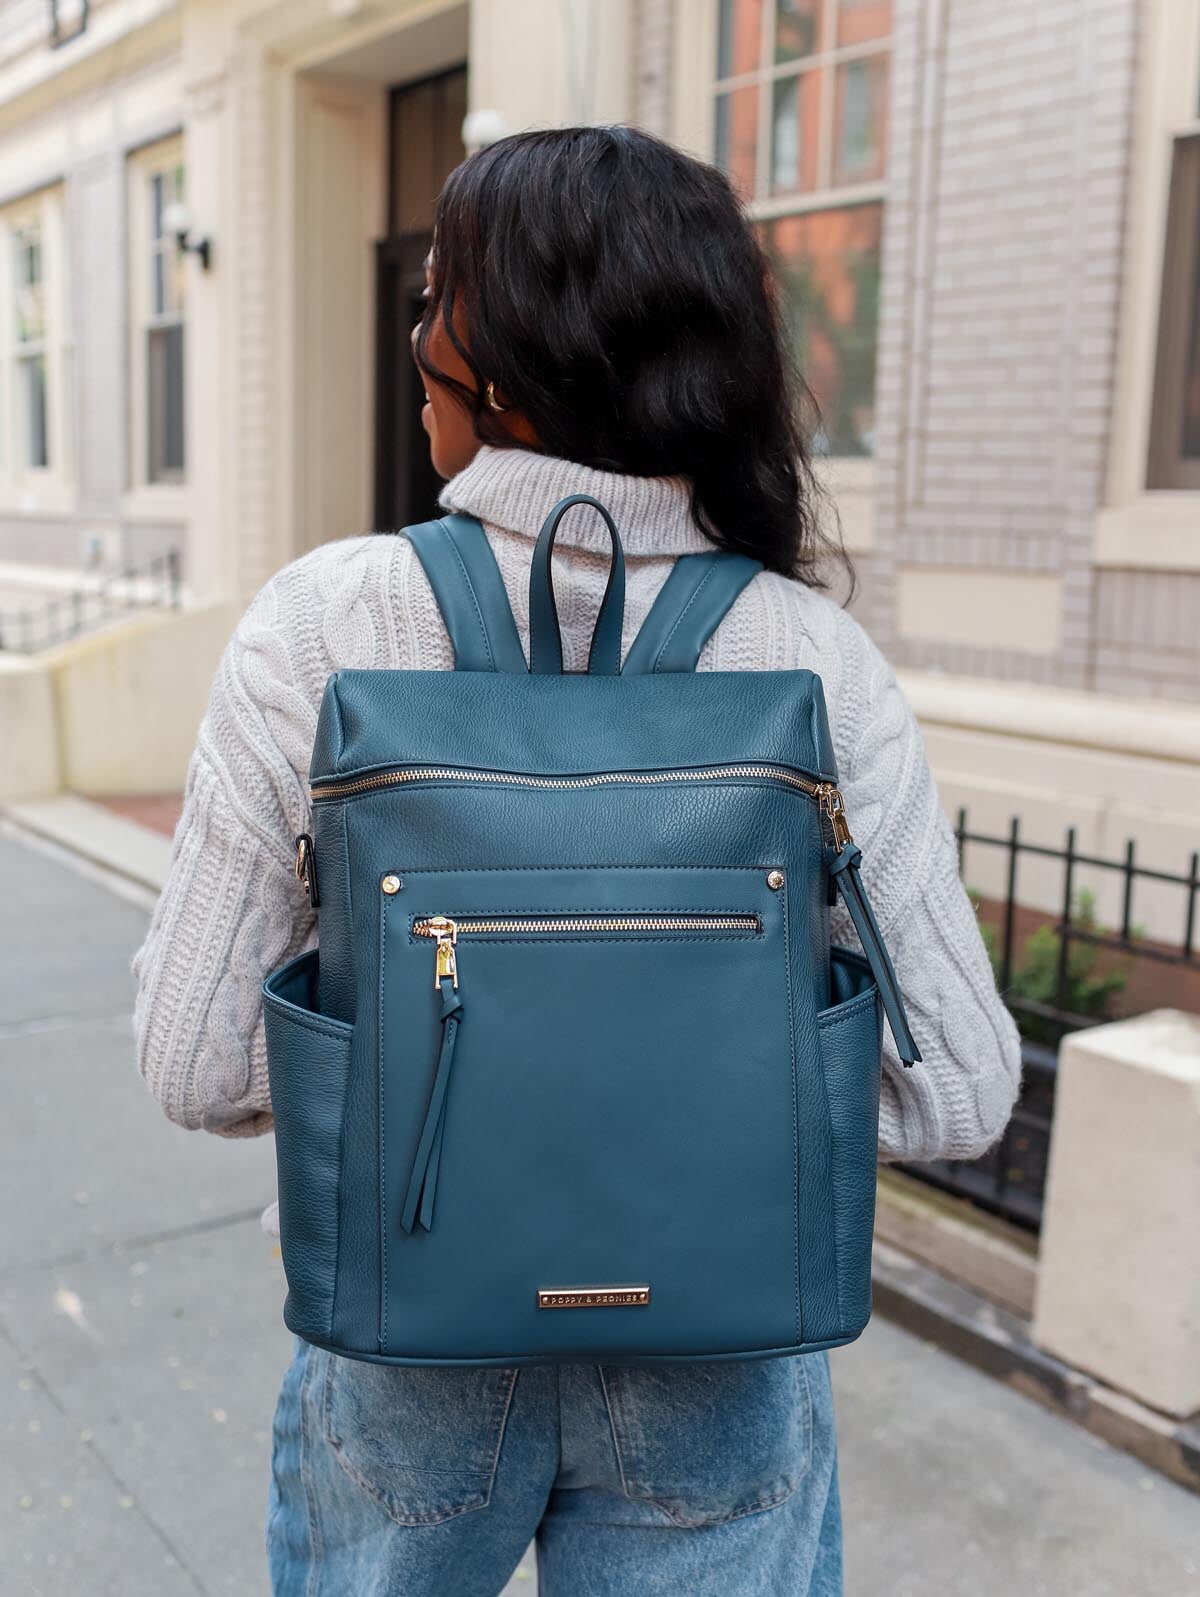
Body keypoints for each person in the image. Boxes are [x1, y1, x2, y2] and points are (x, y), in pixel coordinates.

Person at [132, 125, 1021, 1597]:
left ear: (503, 354)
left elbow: (191, 1060)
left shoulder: (318, 626)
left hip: (410, 1334)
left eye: (435, 298)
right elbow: (965, 1086)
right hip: (718, 1353)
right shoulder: (814, 661)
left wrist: (442, 1074)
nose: (416, 336)